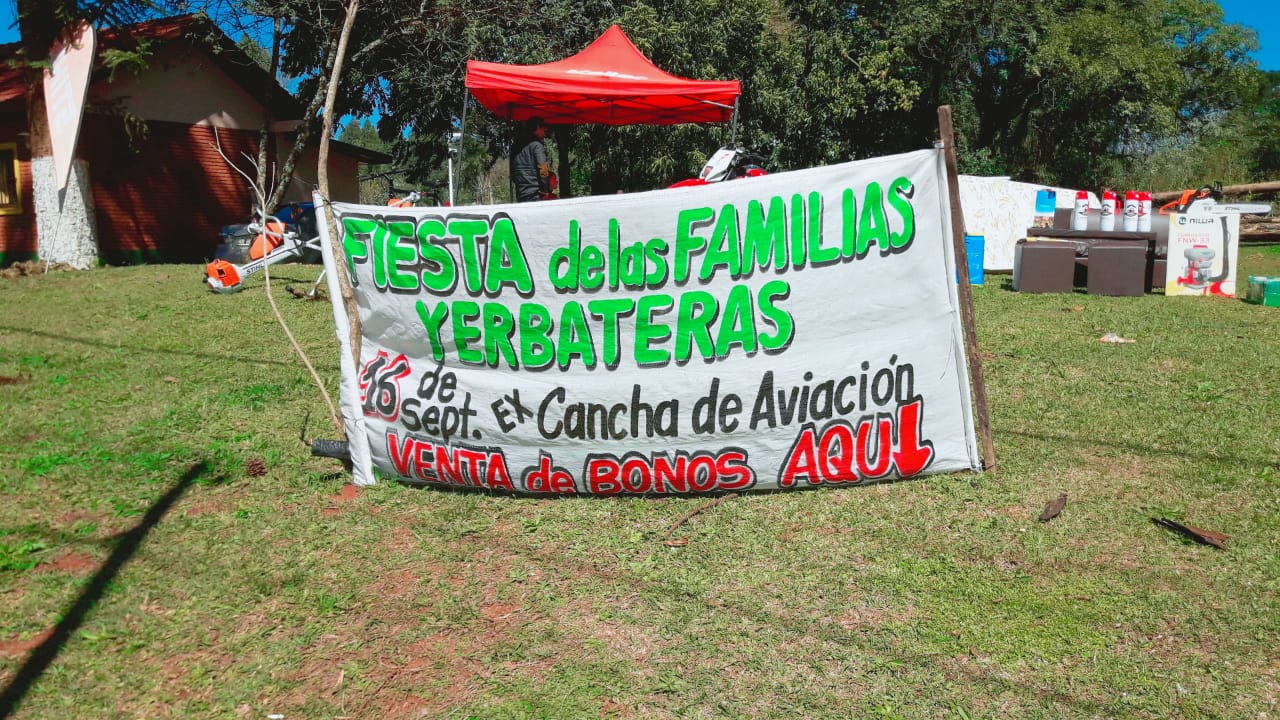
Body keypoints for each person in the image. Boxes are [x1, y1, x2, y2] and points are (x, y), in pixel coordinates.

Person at [511, 117, 552, 202]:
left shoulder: (515, 146)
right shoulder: (537, 145)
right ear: (537, 127)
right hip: (535, 194)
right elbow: (543, 168)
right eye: (544, 131)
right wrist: (545, 190)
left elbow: (512, 171)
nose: (544, 134)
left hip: (521, 193)